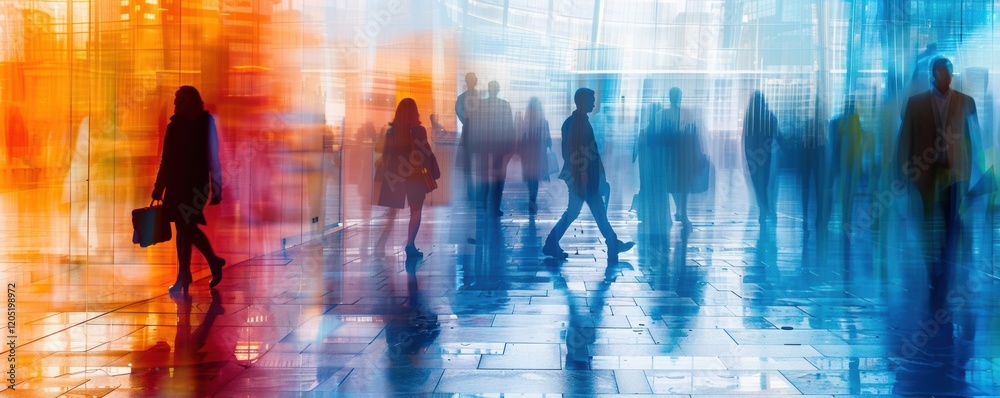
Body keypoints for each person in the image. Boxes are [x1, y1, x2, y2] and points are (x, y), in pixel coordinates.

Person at [895, 57, 982, 305]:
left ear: (952, 76)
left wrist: (974, 174)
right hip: (925, 173)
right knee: (925, 224)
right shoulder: (915, 103)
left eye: (947, 74)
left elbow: (973, 140)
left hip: (954, 174)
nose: (943, 78)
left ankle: (942, 264)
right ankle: (932, 265)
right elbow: (905, 138)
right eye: (939, 73)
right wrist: (900, 173)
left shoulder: (967, 103)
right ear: (933, 75)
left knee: (950, 223)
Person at [543, 88, 635, 262]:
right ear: (582, 101)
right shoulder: (579, 123)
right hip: (582, 178)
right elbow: (575, 151)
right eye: (592, 99)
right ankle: (613, 244)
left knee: (581, 212)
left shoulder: (575, 122)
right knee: (591, 212)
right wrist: (584, 174)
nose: (594, 103)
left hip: (580, 177)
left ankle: (552, 243)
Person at [152, 86, 225, 294]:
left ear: (190, 102)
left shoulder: (185, 126)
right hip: (187, 185)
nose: (175, 104)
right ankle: (191, 271)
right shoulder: (199, 124)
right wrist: (160, 186)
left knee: (186, 227)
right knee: (185, 228)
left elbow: (169, 160)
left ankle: (191, 271)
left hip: (188, 185)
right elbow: (212, 155)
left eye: (179, 100)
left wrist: (217, 185)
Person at [375, 98, 440, 258]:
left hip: (395, 175)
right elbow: (425, 152)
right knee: (416, 211)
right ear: (414, 112)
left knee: (391, 211)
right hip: (415, 177)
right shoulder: (419, 131)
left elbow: (385, 155)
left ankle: (381, 242)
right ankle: (410, 245)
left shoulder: (390, 132)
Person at [656, 87, 703, 232]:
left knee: (680, 185)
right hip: (677, 155)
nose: (677, 98)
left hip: (677, 155)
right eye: (675, 95)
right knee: (678, 185)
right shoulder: (670, 114)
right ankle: (681, 212)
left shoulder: (664, 114)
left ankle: (681, 212)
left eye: (678, 95)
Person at [467, 81, 515, 216]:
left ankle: (483, 204)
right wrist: (509, 146)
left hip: (484, 146)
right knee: (498, 178)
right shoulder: (504, 105)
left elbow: (476, 125)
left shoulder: (481, 105)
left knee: (484, 177)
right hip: (499, 146)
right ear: (498, 90)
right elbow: (509, 127)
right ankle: (495, 207)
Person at [742, 90, 778, 227]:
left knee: (757, 184)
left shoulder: (749, 117)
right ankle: (765, 206)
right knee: (764, 181)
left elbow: (745, 138)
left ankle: (763, 207)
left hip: (752, 155)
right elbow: (775, 135)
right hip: (765, 155)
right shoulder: (769, 116)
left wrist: (746, 155)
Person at [517, 97, 552, 214]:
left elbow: (521, 138)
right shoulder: (544, 121)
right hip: (538, 153)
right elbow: (548, 141)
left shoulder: (525, 121)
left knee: (530, 178)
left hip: (527, 153)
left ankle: (531, 200)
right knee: (535, 178)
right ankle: (533, 200)